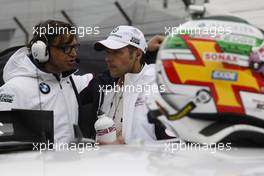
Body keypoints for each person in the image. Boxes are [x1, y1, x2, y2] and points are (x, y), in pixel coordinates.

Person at [0, 20, 93, 143]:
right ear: (41, 50)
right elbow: (4, 140)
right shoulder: (13, 89)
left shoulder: (73, 82)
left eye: (74, 47)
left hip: (71, 161)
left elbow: (107, 80)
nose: (74, 54)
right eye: (65, 48)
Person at [92, 25, 162, 144]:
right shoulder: (106, 83)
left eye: (116, 52)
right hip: (104, 160)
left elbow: (171, 146)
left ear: (138, 54)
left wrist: (126, 148)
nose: (108, 58)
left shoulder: (156, 84)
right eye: (108, 52)